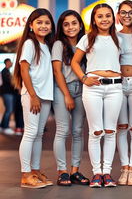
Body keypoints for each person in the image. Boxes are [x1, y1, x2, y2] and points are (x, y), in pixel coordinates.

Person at [71, 3, 123, 188]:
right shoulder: (87, 39)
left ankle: (107, 174)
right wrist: (84, 78)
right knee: (96, 131)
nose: (104, 19)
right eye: (100, 16)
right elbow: (75, 62)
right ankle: (96, 173)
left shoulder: (119, 39)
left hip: (116, 88)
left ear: (113, 18)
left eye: (108, 15)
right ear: (94, 19)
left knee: (110, 131)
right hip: (93, 87)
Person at [13, 8, 55, 188]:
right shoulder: (30, 44)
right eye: (39, 22)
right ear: (31, 25)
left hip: (45, 96)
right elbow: (24, 69)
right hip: (33, 96)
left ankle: (35, 171)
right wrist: (33, 95)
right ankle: (25, 174)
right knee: (30, 133)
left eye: (47, 22)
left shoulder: (46, 45)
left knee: (38, 135)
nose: (43, 26)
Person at [52, 10, 89, 186]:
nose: (70, 27)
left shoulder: (86, 42)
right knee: (63, 130)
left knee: (77, 131)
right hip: (62, 89)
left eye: (74, 23)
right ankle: (62, 171)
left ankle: (75, 171)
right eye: (66, 24)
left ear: (80, 25)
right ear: (62, 27)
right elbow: (57, 71)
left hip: (81, 89)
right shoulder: (59, 44)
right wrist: (67, 95)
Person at [116, 0, 132, 186]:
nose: (127, 15)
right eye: (123, 12)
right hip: (117, 85)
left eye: (131, 12)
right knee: (122, 127)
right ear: (118, 15)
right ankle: (124, 167)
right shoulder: (114, 36)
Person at [0, 58, 16, 134]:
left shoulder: (7, 71)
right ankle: (5, 127)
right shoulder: (4, 72)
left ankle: (2, 126)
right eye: (10, 62)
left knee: (8, 109)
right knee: (9, 110)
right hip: (7, 93)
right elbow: (10, 82)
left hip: (8, 93)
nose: (11, 63)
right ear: (7, 63)